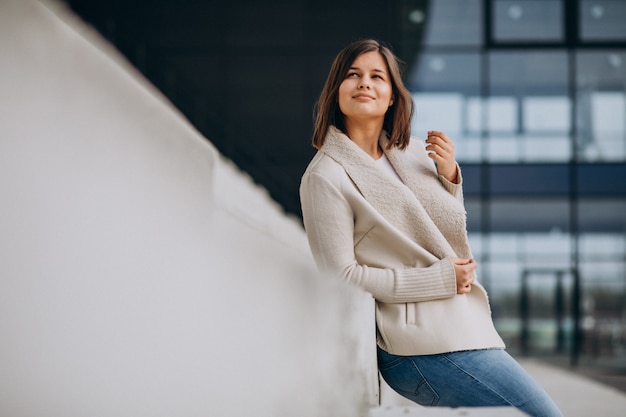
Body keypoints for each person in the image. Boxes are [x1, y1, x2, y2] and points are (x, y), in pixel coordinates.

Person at [299, 39, 562, 416]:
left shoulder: (410, 155)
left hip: (462, 326)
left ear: (392, 96)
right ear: (335, 90)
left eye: (377, 76)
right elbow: (340, 276)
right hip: (415, 348)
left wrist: (449, 177)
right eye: (352, 75)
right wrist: (436, 280)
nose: (364, 83)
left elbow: (440, 234)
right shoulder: (325, 176)